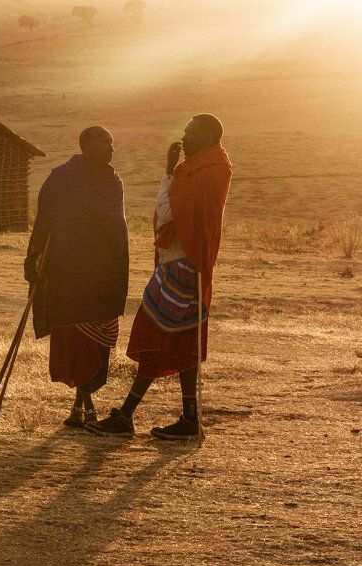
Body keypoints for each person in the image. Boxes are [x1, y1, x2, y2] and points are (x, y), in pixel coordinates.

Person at [87, 114, 233, 439]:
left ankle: (127, 416)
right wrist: (173, 173)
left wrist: (168, 173)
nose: (184, 136)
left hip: (185, 267)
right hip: (180, 266)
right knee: (182, 343)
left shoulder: (208, 174)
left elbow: (168, 215)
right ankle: (188, 420)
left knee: (155, 338)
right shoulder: (197, 169)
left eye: (191, 131)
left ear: (208, 135)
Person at [24, 127, 129, 427]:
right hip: (71, 274)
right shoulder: (62, 179)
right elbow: (45, 222)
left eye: (112, 142)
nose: (111, 147)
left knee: (99, 342)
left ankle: (82, 404)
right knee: (77, 340)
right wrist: (35, 260)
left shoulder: (114, 181)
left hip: (105, 273)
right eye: (104, 142)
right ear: (86, 147)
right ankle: (83, 403)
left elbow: (117, 228)